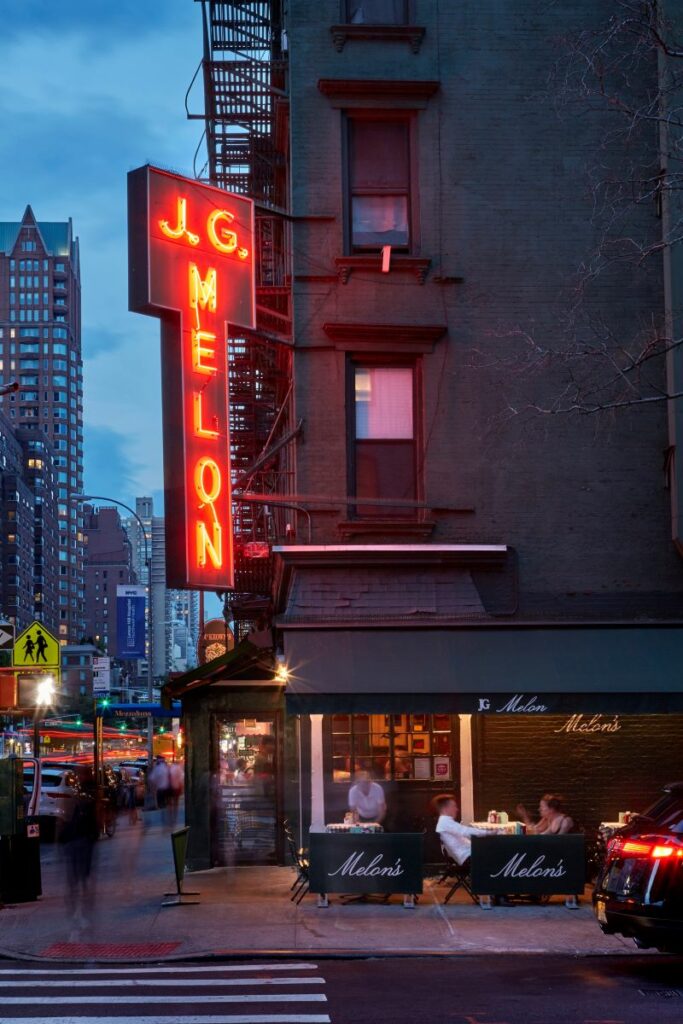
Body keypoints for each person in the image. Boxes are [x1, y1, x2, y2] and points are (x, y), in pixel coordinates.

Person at [432, 793, 491, 867]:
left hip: (469, 853)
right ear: (445, 809)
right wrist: (489, 832)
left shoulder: (444, 822)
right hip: (468, 857)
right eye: (453, 806)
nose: (457, 809)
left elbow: (465, 832)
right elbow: (466, 832)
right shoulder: (445, 822)